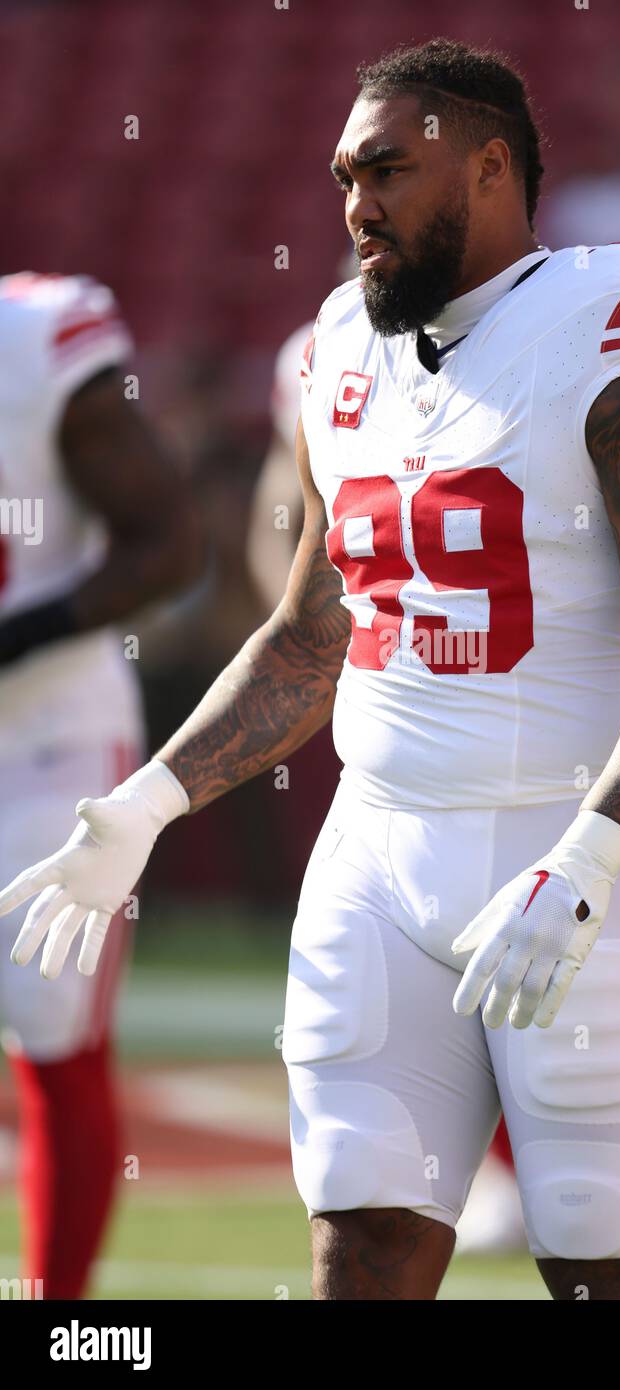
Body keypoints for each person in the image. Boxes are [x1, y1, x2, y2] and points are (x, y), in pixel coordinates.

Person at [0, 39, 620, 1300]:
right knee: (360, 1249)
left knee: (602, 1270)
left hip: (567, 860)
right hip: (374, 853)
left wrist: (586, 860)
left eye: (391, 169)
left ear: (494, 165)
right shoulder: (340, 344)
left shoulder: (618, 318)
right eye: (346, 173)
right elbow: (308, 635)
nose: (355, 204)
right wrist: (147, 802)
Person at [0, 270, 201, 1298]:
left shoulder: (39, 342)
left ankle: (56, 1311)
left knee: (52, 1025)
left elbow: (168, 539)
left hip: (46, 745)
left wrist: (20, 632)